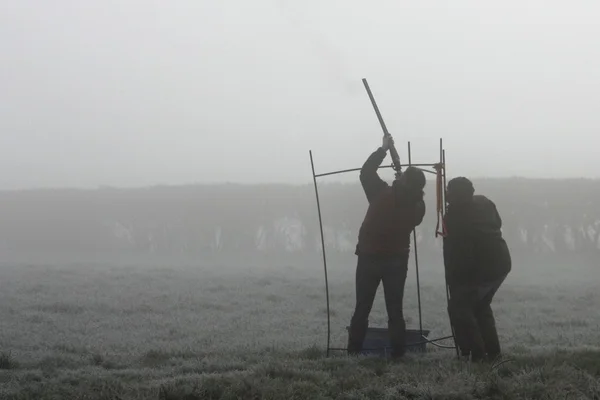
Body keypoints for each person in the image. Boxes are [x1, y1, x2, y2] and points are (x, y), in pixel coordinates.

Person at [347, 135, 426, 359]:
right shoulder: (418, 207)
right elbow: (412, 199)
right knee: (395, 310)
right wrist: (403, 181)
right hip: (397, 261)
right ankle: (398, 354)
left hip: (369, 257)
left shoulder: (381, 194)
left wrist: (383, 149)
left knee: (362, 308)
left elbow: (365, 172)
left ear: (403, 181)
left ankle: (353, 353)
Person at [443, 177, 512, 363]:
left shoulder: (455, 217)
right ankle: (493, 352)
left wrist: (456, 278)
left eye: (449, 191)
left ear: (457, 196)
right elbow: (497, 223)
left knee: (460, 307)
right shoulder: (484, 201)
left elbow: (462, 253)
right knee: (480, 306)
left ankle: (477, 354)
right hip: (501, 262)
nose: (446, 194)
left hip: (482, 269)